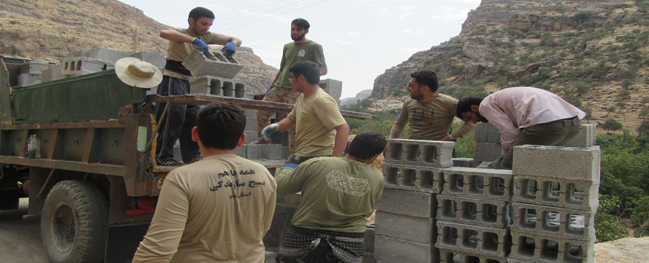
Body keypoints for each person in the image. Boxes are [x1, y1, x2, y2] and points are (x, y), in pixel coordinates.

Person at [132, 104, 277, 263]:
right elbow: (262, 230)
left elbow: (157, 250)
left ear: (194, 134)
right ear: (242, 139)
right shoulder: (263, 174)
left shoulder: (182, 178)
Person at [260, 61, 349, 251]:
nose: (290, 81)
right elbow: (291, 119)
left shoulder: (321, 100)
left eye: (291, 77)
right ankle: (275, 244)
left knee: (287, 200)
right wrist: (276, 126)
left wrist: (335, 161)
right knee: (284, 200)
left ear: (301, 78)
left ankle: (281, 246)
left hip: (316, 159)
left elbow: (342, 128)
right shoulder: (303, 98)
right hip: (300, 156)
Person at [273, 131, 387, 263]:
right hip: (349, 244)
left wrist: (288, 167)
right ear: (373, 156)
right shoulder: (377, 177)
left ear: (349, 146)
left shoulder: (317, 164)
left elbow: (279, 187)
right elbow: (371, 204)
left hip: (303, 237)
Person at [155, 7, 242, 166]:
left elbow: (236, 38)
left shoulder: (207, 36)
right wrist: (193, 40)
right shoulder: (180, 34)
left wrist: (233, 45)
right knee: (173, 120)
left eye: (209, 24)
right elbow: (164, 33)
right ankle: (163, 157)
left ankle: (191, 157)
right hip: (173, 79)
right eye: (203, 23)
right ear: (191, 21)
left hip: (191, 82)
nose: (207, 28)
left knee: (193, 120)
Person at [456, 87, 585, 169]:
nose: (473, 121)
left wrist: (504, 157)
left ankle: (501, 210)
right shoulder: (500, 98)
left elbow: (509, 132)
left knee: (507, 170)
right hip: (573, 126)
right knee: (531, 166)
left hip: (547, 126)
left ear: (474, 108)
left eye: (469, 117)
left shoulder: (485, 105)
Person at [255, 18, 328, 153]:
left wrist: (306, 76)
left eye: (298, 29)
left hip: (296, 89)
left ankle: (294, 154)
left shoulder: (314, 47)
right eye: (292, 29)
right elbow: (283, 67)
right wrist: (272, 85)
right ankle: (264, 137)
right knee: (261, 110)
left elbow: (323, 69)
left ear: (306, 31)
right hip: (279, 86)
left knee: (293, 123)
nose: (294, 32)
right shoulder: (287, 46)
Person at [390, 70, 476, 141]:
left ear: (424, 88)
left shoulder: (448, 103)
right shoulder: (409, 102)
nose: (407, 89)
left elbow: (472, 121)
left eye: (411, 86)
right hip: (413, 151)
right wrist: (391, 143)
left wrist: (451, 136)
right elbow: (399, 124)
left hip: (437, 152)